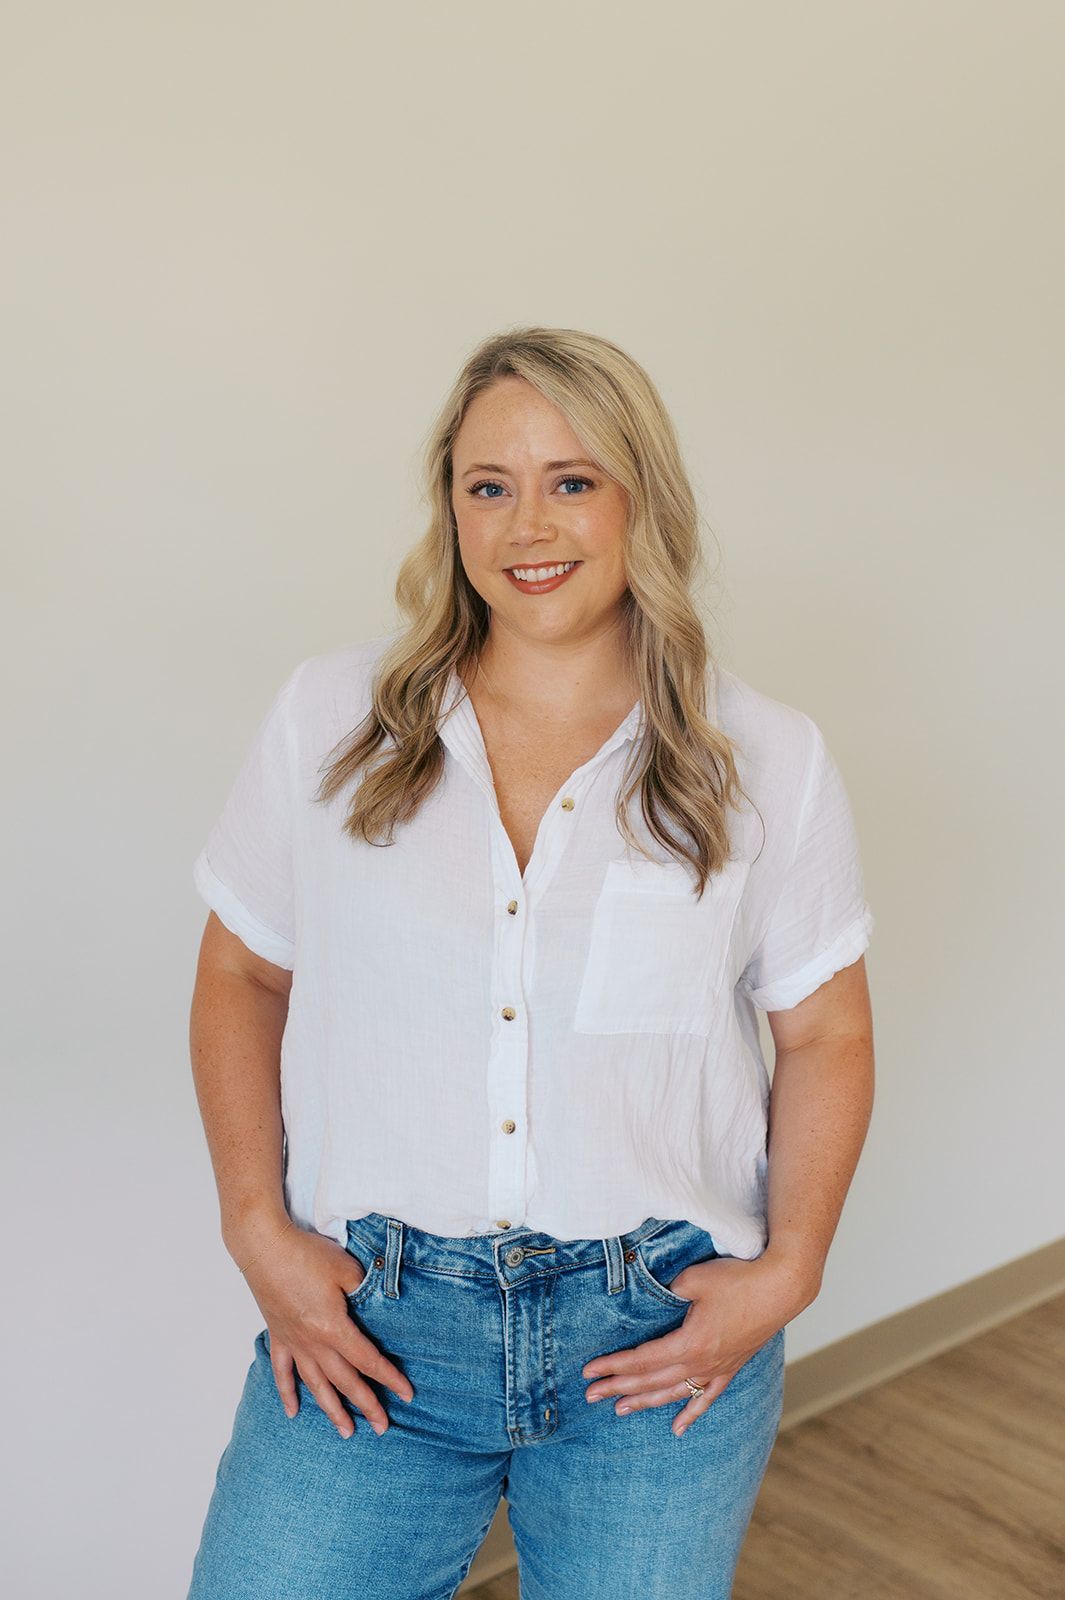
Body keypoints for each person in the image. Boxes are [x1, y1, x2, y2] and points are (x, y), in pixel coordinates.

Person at [185, 325, 875, 1599]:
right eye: (486, 486)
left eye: (571, 480)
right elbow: (242, 975)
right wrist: (253, 1223)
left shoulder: (767, 757)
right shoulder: (327, 723)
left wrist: (793, 1264)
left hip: (657, 1340)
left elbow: (825, 1033)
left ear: (638, 498)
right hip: (371, 1328)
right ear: (448, 509)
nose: (524, 525)